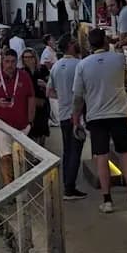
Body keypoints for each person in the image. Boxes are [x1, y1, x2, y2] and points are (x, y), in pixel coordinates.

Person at [72, 28, 127, 213]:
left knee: (101, 156)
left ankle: (107, 200)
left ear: (89, 44)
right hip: (118, 113)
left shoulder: (83, 65)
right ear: (105, 40)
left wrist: (75, 118)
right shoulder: (118, 59)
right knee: (126, 153)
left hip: (96, 115)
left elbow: (78, 96)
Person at [0, 48, 36, 185]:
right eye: (7, 61)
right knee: (5, 157)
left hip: (22, 125)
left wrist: (30, 120)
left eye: (12, 61)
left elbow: (31, 97)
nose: (10, 65)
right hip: (3, 125)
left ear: (17, 62)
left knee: (20, 158)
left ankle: (21, 185)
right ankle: (10, 188)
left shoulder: (24, 76)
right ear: (2, 62)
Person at [48, 36, 86, 200]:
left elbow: (49, 91)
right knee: (75, 151)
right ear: (70, 46)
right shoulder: (79, 65)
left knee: (67, 151)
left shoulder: (56, 67)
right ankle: (69, 188)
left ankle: (67, 184)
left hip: (63, 113)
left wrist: (63, 97)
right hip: (76, 114)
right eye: (74, 42)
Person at [21, 49, 50, 147]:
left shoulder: (42, 69)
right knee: (31, 129)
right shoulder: (22, 72)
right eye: (25, 58)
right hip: (28, 104)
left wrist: (45, 85)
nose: (28, 60)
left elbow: (51, 86)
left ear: (35, 58)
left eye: (30, 57)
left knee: (42, 128)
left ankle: (42, 150)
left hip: (42, 103)